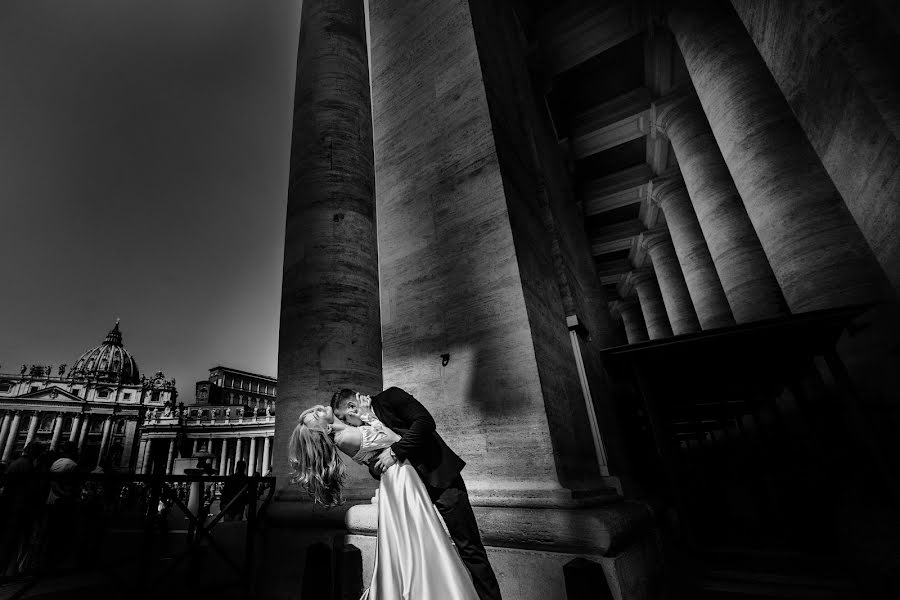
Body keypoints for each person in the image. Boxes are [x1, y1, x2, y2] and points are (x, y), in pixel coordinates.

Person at [289, 401, 481, 600]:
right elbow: (394, 438)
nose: (318, 409)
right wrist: (367, 415)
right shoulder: (347, 436)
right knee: (417, 534)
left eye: (314, 410)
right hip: (400, 480)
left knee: (409, 537)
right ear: (324, 428)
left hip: (396, 479)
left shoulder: (343, 433)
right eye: (316, 415)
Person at [332, 387, 502, 600]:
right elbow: (376, 466)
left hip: (440, 480)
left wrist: (395, 451)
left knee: (469, 547)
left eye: (344, 419)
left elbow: (425, 422)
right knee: (418, 553)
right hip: (408, 493)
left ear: (352, 407)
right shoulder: (363, 428)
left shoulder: (390, 397)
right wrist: (377, 465)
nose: (347, 425)